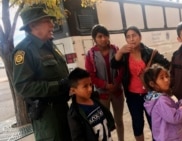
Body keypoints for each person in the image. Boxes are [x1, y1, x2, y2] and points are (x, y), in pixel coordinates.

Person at [12, 7, 71, 141]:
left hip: (62, 108)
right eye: (47, 21)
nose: (52, 25)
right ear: (33, 25)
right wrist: (58, 85)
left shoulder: (50, 45)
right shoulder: (24, 50)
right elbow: (23, 87)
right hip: (47, 115)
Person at [111, 26, 170, 141]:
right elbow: (114, 65)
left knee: (154, 123)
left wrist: (157, 77)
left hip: (150, 95)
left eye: (134, 35)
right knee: (137, 124)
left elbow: (167, 65)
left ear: (140, 37)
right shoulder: (125, 54)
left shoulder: (150, 52)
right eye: (128, 37)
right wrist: (120, 51)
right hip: (132, 95)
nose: (131, 39)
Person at [85, 24, 124, 141]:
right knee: (104, 122)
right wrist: (105, 85)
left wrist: (116, 84)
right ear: (94, 39)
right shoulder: (90, 54)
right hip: (102, 94)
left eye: (105, 36)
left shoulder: (116, 50)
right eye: (99, 36)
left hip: (117, 92)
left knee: (119, 120)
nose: (103, 39)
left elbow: (122, 69)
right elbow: (90, 75)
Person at [143, 63, 182, 141]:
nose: (167, 80)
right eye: (161, 78)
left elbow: (171, 109)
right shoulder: (161, 100)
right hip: (170, 138)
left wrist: (180, 103)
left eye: (167, 76)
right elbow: (175, 118)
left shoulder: (157, 98)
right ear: (152, 84)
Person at [67, 67, 115, 141]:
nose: (90, 89)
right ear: (73, 90)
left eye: (90, 84)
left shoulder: (95, 99)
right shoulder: (75, 114)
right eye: (85, 86)